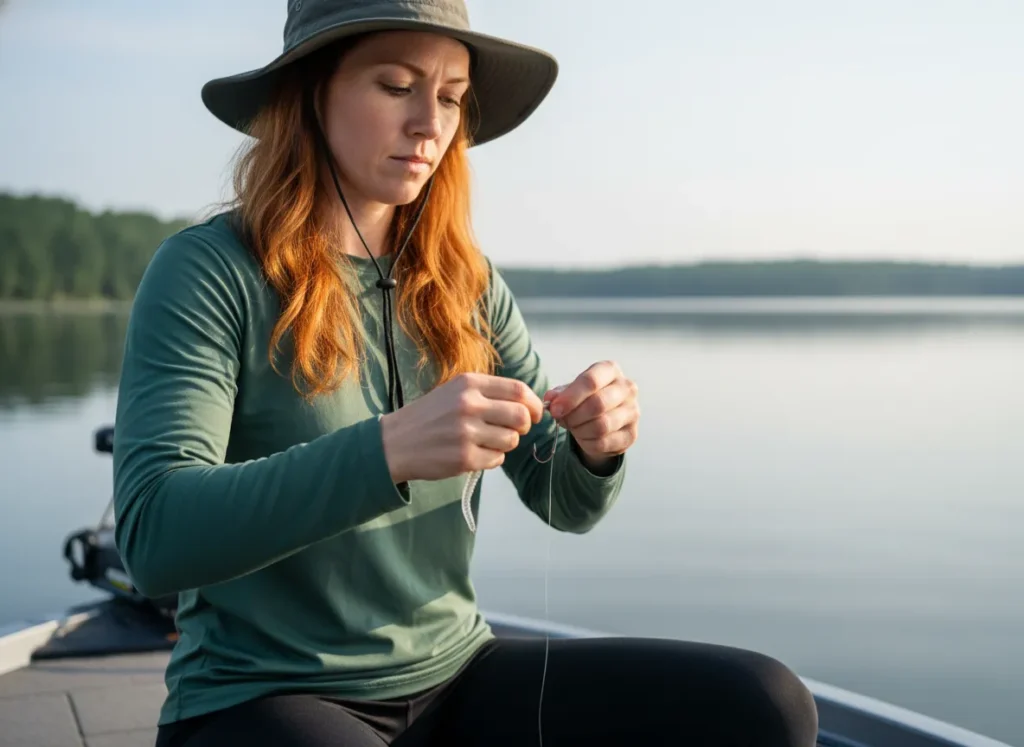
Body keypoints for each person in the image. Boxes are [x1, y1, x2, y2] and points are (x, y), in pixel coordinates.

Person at [112, 1, 819, 745]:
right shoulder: (209, 271)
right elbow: (156, 536)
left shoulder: (464, 282)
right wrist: (386, 449)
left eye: (450, 96)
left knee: (767, 703)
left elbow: (563, 499)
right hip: (259, 694)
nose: (430, 124)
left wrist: (595, 444)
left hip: (456, 673)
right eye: (396, 86)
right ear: (311, 94)